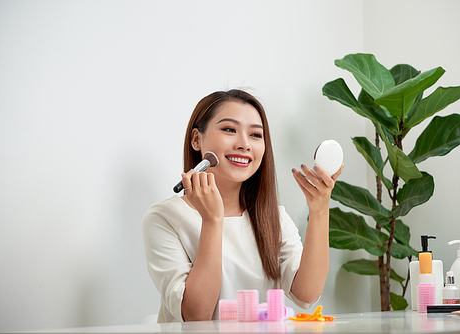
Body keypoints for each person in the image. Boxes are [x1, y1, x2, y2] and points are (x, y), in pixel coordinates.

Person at [141, 89, 343, 322]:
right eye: (229, 130)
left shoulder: (273, 217)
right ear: (197, 139)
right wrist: (213, 220)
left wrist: (319, 209)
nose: (245, 144)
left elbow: (306, 295)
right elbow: (196, 315)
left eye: (256, 135)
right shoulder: (163, 217)